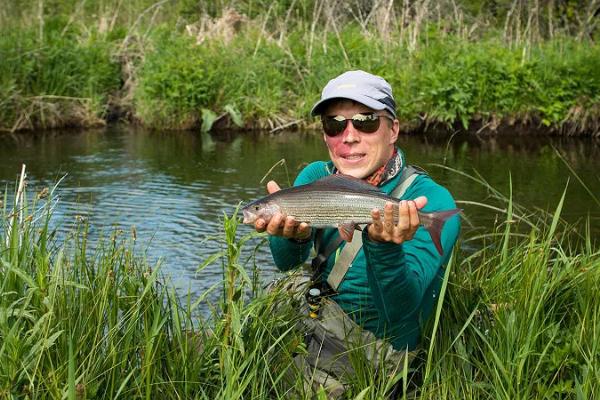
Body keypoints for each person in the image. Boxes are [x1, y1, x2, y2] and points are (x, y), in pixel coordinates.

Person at [251, 70, 461, 397]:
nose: (348, 136)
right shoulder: (315, 177)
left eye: (365, 121)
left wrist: (383, 247)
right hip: (315, 316)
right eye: (334, 124)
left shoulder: (431, 202)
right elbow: (286, 265)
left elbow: (400, 311)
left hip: (377, 351)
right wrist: (291, 236)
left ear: (393, 129)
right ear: (324, 136)